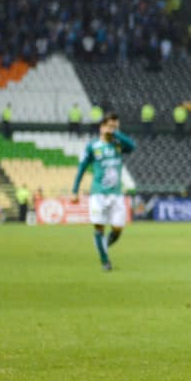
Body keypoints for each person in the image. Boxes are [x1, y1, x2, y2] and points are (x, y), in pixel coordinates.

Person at [72, 113, 136, 271]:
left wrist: (116, 133)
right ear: (102, 127)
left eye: (116, 126)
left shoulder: (118, 144)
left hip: (116, 194)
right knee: (99, 227)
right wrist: (75, 191)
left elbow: (132, 146)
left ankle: (103, 246)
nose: (113, 129)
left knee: (117, 229)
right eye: (110, 126)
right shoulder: (92, 147)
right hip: (98, 193)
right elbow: (81, 168)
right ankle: (105, 261)